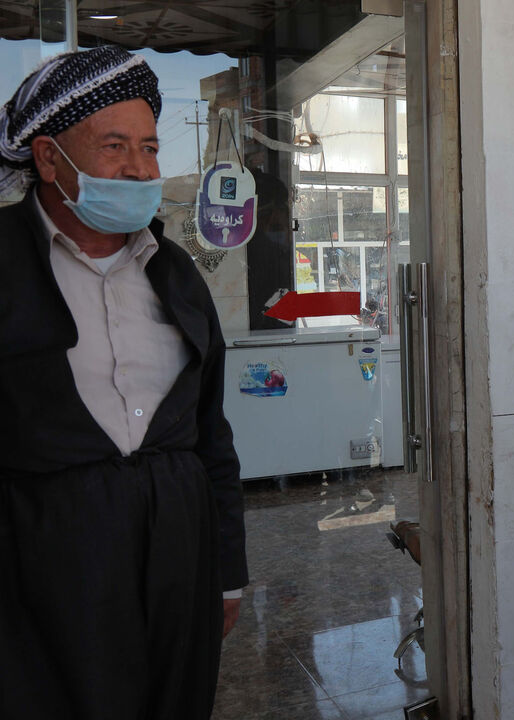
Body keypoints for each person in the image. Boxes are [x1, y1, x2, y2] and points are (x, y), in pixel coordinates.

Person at [0, 47, 247, 718]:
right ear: (48, 159)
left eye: (148, 147)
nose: (139, 169)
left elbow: (210, 434)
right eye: (114, 147)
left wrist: (225, 574)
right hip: (47, 561)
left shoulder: (174, 273)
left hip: (178, 555)